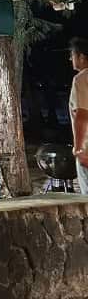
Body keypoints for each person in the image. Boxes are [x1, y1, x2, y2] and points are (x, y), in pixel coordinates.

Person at [69, 37, 88, 194]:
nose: (70, 59)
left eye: (72, 55)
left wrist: (78, 148)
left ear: (82, 57)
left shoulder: (81, 79)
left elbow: (81, 115)